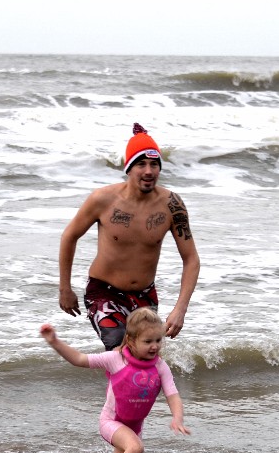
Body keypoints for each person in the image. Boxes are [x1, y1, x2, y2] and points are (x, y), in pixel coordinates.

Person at [59, 123, 200, 350]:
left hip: (145, 295)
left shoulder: (172, 205)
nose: (148, 171)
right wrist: (65, 288)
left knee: (145, 355)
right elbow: (69, 236)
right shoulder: (102, 200)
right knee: (118, 348)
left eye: (154, 164)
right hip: (104, 292)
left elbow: (191, 259)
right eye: (141, 164)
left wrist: (180, 308)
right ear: (129, 168)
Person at [40, 308, 190, 453]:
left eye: (158, 340)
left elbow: (173, 395)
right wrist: (54, 341)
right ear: (131, 340)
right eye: (148, 341)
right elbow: (80, 360)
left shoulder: (160, 367)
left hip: (133, 427)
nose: (154, 346)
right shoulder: (115, 359)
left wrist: (177, 418)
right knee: (136, 449)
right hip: (111, 422)